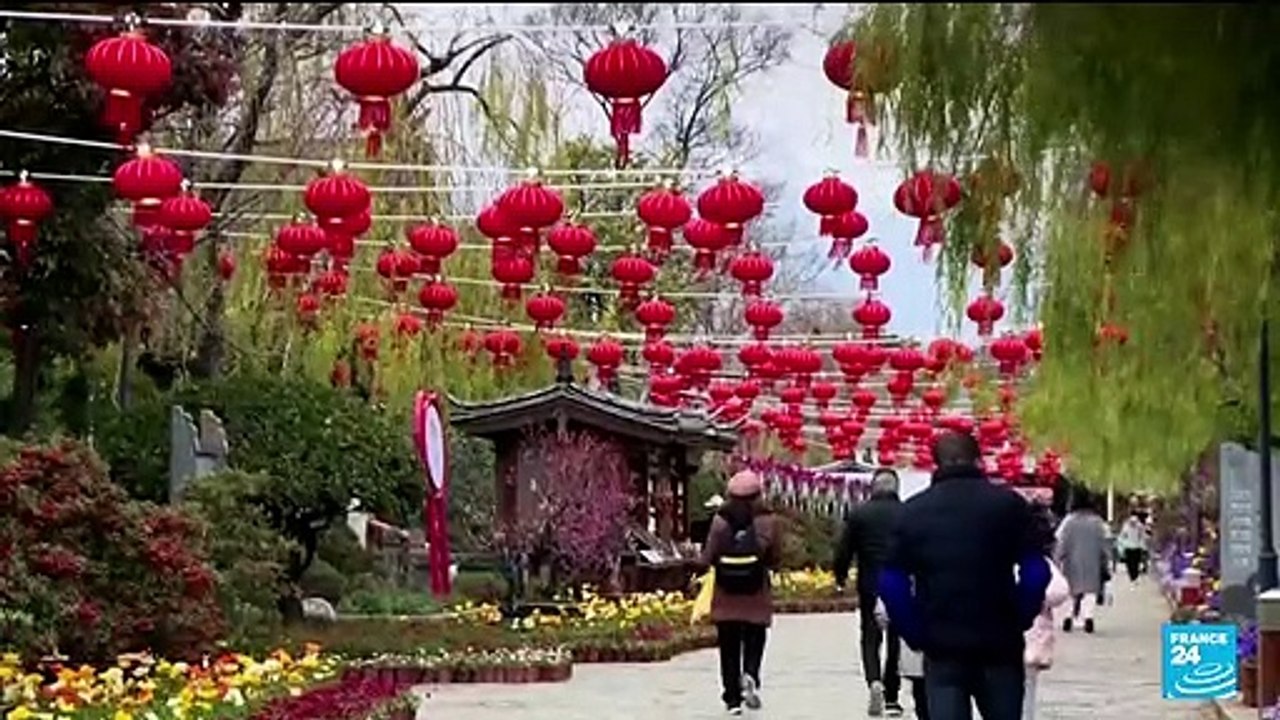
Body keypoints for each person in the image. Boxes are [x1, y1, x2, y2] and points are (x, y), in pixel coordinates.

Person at [879, 432, 1050, 720]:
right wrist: (1020, 614)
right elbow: (1036, 570)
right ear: (979, 460)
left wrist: (915, 631)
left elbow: (891, 582)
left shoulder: (913, 512)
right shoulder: (1008, 505)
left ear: (936, 463)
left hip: (942, 643)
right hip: (999, 640)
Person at [700, 470, 782, 716]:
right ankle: (751, 674)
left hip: (726, 593)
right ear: (758, 494)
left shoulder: (719, 520)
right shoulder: (768, 520)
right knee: (755, 638)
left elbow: (708, 556)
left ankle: (732, 699)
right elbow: (776, 557)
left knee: (729, 646)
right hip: (756, 591)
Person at [834, 469, 906, 717]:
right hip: (900, 583)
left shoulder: (859, 514)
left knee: (870, 636)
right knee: (897, 639)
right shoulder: (907, 513)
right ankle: (892, 696)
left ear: (872, 488)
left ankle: (874, 680)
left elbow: (844, 550)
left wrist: (840, 577)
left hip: (870, 584)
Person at [1021, 502, 1071, 720]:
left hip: (1001, 634)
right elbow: (1059, 590)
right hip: (1031, 634)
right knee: (1025, 693)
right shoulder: (1038, 562)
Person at [1055, 492, 1110, 633]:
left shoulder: (1069, 521)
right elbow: (1104, 544)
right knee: (1090, 591)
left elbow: (1061, 543)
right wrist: (1106, 560)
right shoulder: (1097, 522)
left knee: (1070, 591)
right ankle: (1088, 617)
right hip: (1092, 560)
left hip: (1071, 561)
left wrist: (1057, 559)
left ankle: (1067, 617)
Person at [1116, 511, 1148, 584]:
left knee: (1133, 563)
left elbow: (1141, 536)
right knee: (1132, 563)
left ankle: (1134, 576)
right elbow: (1142, 536)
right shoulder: (1131, 525)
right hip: (1133, 547)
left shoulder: (1136, 526)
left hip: (1133, 547)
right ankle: (1133, 576)